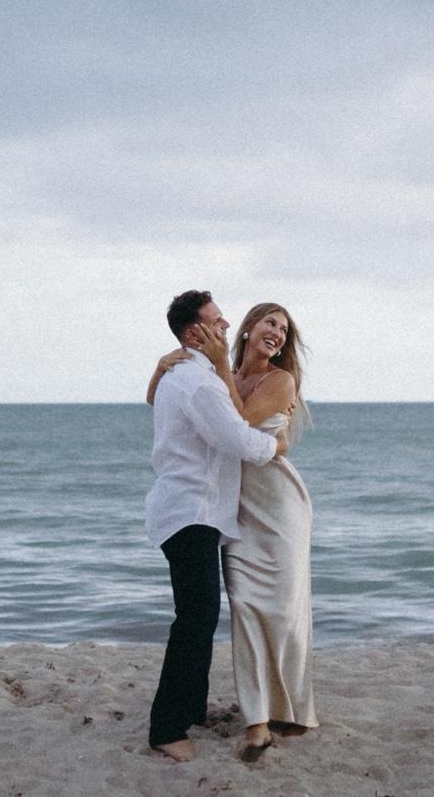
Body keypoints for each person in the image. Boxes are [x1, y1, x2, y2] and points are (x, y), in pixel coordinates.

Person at [148, 301, 317, 762]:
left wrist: (207, 366)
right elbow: (237, 432)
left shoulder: (253, 377)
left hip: (270, 504)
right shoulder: (202, 377)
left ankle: (273, 709)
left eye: (284, 328)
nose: (277, 332)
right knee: (230, 610)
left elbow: (234, 422)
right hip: (220, 507)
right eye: (270, 322)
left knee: (276, 610)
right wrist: (276, 444)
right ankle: (228, 721)